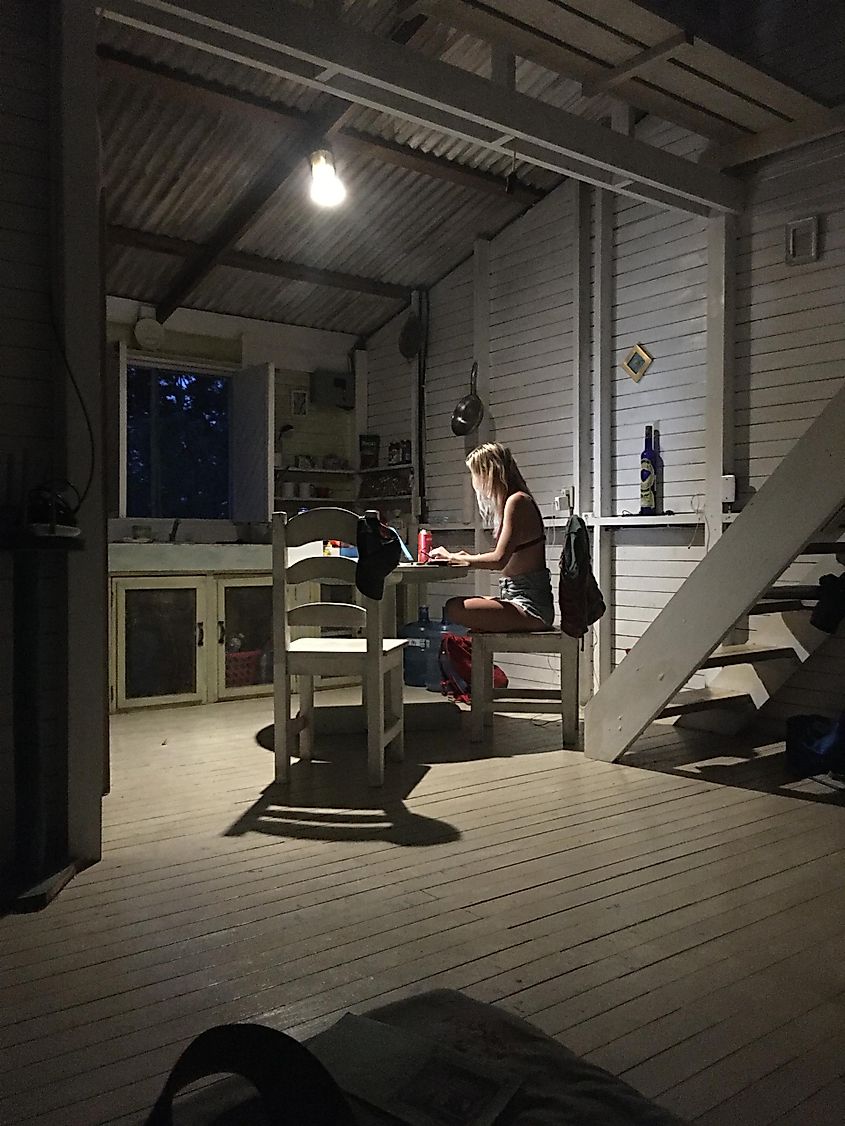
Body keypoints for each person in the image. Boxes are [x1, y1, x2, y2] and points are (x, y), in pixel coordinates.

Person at [430, 442, 555, 632]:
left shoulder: (517, 501)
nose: (475, 482)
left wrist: (455, 557)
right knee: (465, 606)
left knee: (455, 608)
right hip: (514, 596)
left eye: (476, 474)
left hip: (530, 606)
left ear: (489, 473)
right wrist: (461, 556)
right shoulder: (513, 501)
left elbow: (498, 560)